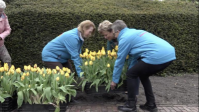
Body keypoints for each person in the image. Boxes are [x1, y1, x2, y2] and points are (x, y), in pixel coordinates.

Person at [109, 20, 176, 112]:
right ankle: (151, 105)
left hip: (157, 55)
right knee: (143, 75)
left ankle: (131, 105)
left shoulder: (124, 38)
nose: (114, 36)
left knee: (131, 74)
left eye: (113, 33)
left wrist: (114, 80)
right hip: (169, 54)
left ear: (117, 31)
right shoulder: (133, 32)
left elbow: (120, 60)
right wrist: (131, 66)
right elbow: (134, 55)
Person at [0, 0, 11, 68]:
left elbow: (8, 29)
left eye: (2, 10)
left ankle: (9, 77)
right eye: (0, 10)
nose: (1, 12)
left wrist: (1, 36)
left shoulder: (4, 17)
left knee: (7, 59)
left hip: (0, 44)